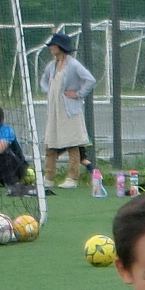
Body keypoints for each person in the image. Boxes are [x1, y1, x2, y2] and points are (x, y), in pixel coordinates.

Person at [39, 32, 95, 188]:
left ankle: (72, 178)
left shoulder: (73, 64)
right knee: (50, 143)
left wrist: (78, 94)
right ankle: (48, 177)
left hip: (69, 110)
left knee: (72, 143)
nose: (51, 48)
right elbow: (44, 80)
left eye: (53, 45)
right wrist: (48, 90)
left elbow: (90, 80)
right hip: (54, 110)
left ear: (60, 47)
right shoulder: (52, 65)